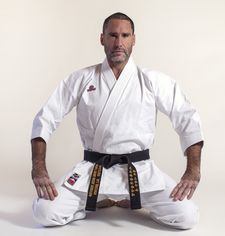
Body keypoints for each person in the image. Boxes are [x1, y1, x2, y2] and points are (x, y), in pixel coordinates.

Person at [31, 12, 204, 230]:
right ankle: (90, 203)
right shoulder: (81, 79)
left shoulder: (152, 80)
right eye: (113, 35)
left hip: (139, 171)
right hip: (92, 170)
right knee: (44, 212)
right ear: (102, 38)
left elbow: (187, 118)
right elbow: (44, 119)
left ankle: (136, 200)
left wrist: (193, 170)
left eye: (125, 35)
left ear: (134, 39)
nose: (119, 42)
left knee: (187, 217)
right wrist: (38, 167)